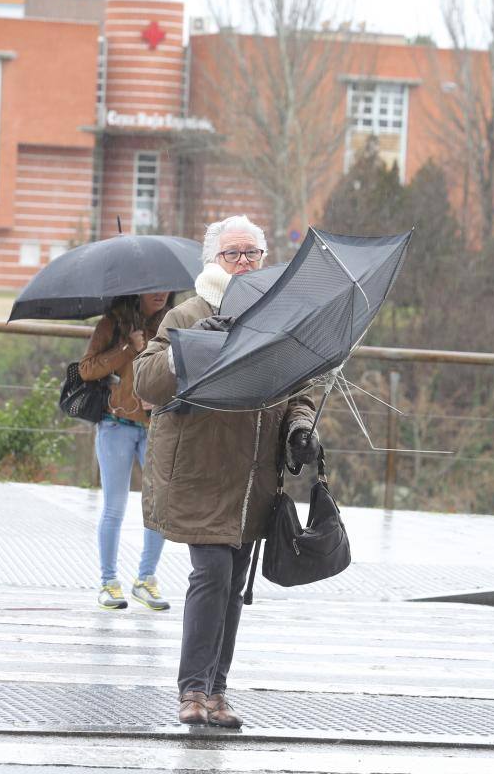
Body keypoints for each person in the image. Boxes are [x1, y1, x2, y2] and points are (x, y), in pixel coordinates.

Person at [133, 215, 319, 727]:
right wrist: (189, 347)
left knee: (234, 582)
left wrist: (301, 426)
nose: (243, 262)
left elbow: (300, 388)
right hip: (198, 471)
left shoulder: (279, 318)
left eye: (252, 254)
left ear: (264, 259)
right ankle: (192, 690)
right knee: (212, 572)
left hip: (253, 477)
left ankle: (216, 691)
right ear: (213, 260)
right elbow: (146, 382)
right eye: (232, 253)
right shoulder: (187, 315)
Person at [79, 292, 172, 611]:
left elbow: (186, 372)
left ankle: (146, 579)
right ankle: (108, 582)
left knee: (159, 504)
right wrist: (127, 348)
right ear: (139, 289)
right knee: (114, 507)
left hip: (156, 425)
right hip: (115, 423)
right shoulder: (113, 324)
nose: (161, 294)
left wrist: (163, 394)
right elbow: (87, 369)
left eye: (166, 288)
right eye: (154, 287)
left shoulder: (173, 325)